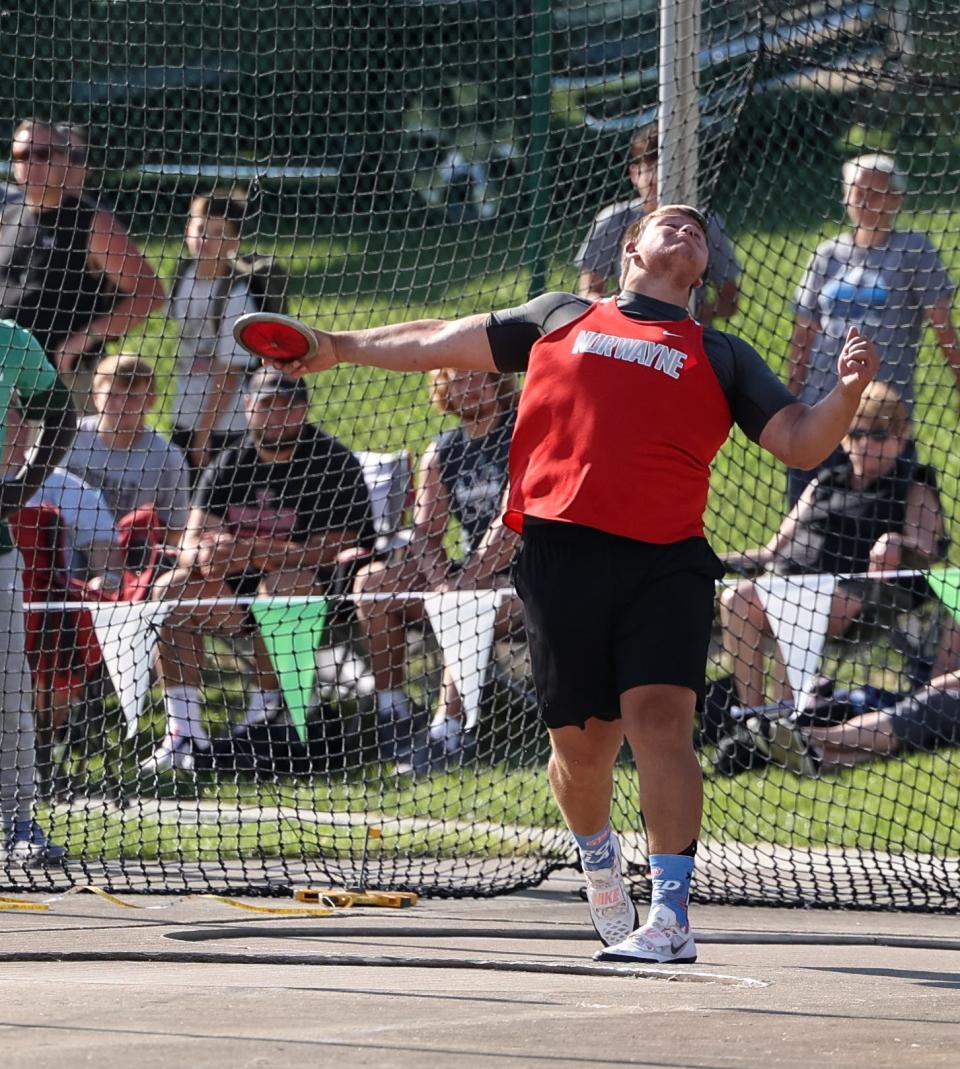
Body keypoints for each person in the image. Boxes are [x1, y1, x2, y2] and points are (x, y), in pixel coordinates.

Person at [245, 203, 880, 964]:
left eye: (699, 232)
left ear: (704, 268)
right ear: (630, 248)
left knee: (660, 725)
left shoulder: (722, 354)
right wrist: (339, 345)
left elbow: (800, 442)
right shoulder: (561, 316)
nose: (685, 230)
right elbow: (436, 339)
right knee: (584, 751)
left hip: (667, 560)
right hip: (559, 555)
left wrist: (844, 394)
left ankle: (671, 915)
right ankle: (599, 858)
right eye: (668, 223)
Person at [143, 369, 375, 773]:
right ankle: (184, 734)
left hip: (316, 597)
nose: (276, 416)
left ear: (304, 410)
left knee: (282, 583)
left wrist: (254, 550)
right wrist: (204, 557)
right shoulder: (231, 460)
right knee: (171, 589)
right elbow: (195, 537)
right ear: (248, 408)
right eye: (266, 407)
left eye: (288, 407)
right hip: (234, 593)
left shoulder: (332, 460)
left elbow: (338, 545)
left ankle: (265, 715)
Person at [719, 381, 945, 710]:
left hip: (859, 594)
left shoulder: (912, 486)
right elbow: (772, 551)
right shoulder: (824, 482)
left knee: (796, 605)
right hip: (789, 582)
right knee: (734, 597)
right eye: (856, 433)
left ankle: (787, 716)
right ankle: (752, 717)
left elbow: (927, 550)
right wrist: (707, 559)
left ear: (900, 439)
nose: (865, 443)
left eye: (878, 435)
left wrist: (896, 542)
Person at [354, 367, 521, 773]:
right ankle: (393, 711)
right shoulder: (442, 451)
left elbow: (512, 523)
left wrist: (462, 584)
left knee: (465, 605)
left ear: (498, 382)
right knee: (372, 582)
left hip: (529, 583)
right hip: (467, 580)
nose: (466, 387)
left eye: (476, 376)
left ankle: (447, 731)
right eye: (456, 379)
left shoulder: (523, 437)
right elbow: (426, 533)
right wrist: (440, 581)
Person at [786, 152, 960, 503]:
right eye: (856, 192)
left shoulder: (914, 251)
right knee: (808, 524)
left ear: (895, 199)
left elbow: (942, 326)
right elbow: (804, 331)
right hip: (818, 407)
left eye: (876, 193)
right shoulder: (828, 254)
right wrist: (790, 397)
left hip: (882, 417)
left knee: (879, 519)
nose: (865, 201)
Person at [0, 120, 166, 413]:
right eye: (23, 155)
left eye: (43, 154)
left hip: (65, 382)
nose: (31, 164)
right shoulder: (10, 213)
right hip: (9, 378)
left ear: (66, 161)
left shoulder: (92, 222)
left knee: (64, 459)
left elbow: (150, 293)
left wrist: (80, 341)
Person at [0, 320, 77, 864]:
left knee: (10, 698)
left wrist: (18, 490)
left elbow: (62, 417)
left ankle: (17, 825)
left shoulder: (9, 341)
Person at [575, 125, 741, 323]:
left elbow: (728, 302)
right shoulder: (613, 220)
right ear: (635, 174)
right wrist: (628, 315)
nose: (663, 184)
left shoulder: (705, 223)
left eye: (672, 174)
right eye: (654, 174)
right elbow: (589, 292)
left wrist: (683, 317)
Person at [167, 188, 261, 483]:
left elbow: (231, 370)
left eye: (219, 232)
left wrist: (203, 433)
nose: (206, 239)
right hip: (184, 413)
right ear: (187, 230)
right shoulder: (183, 276)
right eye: (201, 228)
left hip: (226, 424)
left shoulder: (236, 295)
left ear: (235, 242)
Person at [59, 354, 192, 539]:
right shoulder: (66, 436)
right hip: (62, 545)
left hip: (126, 558)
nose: (121, 405)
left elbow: (175, 530)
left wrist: (139, 534)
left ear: (150, 400)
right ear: (96, 396)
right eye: (112, 395)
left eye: (132, 397)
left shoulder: (168, 459)